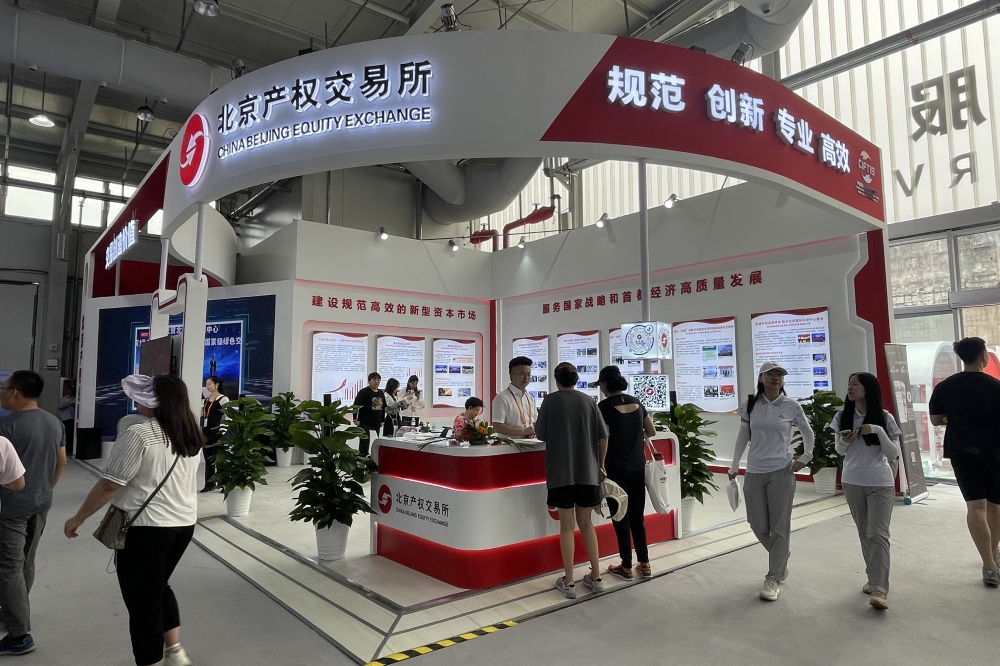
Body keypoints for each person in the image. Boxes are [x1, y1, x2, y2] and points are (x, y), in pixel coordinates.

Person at [64, 374, 203, 666]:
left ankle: (150, 661)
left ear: (154, 401)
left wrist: (79, 517)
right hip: (183, 524)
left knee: (142, 604)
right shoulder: (190, 433)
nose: (137, 402)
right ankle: (175, 652)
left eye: (142, 397)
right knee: (159, 587)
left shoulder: (139, 433)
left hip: (146, 529)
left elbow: (110, 484)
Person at [728, 361, 814, 602]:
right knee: (756, 523)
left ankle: (773, 577)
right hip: (755, 471)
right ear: (761, 378)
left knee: (779, 526)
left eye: (779, 375)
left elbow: (808, 432)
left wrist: (806, 457)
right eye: (771, 374)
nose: (776, 378)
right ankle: (781, 555)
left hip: (781, 471)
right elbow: (743, 435)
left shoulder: (791, 406)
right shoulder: (751, 405)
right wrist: (734, 464)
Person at [0, 370, 68, 656]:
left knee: (8, 567)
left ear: (15, 392)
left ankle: (19, 635)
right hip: (41, 503)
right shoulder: (54, 422)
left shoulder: (6, 428)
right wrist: (46, 487)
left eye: (3, 388)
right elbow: (62, 461)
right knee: (26, 560)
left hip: (10, 509)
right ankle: (15, 610)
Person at [928, 337, 1000, 587]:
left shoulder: (946, 386)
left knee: (975, 506)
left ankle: (989, 565)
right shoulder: (996, 386)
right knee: (994, 506)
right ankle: (993, 554)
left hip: (962, 451)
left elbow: (936, 420)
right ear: (983, 356)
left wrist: (955, 419)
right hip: (995, 451)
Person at [535, 362, 609, 599]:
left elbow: (540, 434)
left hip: (561, 473)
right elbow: (603, 436)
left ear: (556, 380)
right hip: (588, 473)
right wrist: (600, 464)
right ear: (576, 379)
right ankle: (596, 577)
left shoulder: (550, 401)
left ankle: (569, 582)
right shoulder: (589, 401)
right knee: (587, 524)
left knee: (567, 527)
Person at [833, 372, 901, 610]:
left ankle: (880, 589)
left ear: (868, 388)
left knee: (877, 533)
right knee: (865, 533)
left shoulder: (885, 417)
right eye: (849, 384)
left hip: (880, 483)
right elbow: (839, 451)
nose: (850, 388)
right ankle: (873, 578)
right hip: (852, 482)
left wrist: (878, 431)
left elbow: (893, 453)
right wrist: (846, 441)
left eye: (855, 384)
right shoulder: (842, 416)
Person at [593, 366, 657, 581]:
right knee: (637, 518)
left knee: (620, 516)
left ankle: (626, 566)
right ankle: (645, 563)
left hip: (615, 469)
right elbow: (651, 431)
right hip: (638, 466)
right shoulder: (637, 402)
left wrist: (601, 465)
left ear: (604, 384)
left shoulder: (603, 407)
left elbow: (602, 438)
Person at [491, 356, 536, 438]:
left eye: (528, 374)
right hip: (510, 444)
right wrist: (523, 431)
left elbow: (534, 422)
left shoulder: (530, 398)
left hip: (532, 443)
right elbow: (497, 426)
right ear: (511, 376)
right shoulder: (502, 398)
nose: (526, 378)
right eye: (522, 374)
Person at [199, 376, 229, 493]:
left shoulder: (223, 399)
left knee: (219, 460)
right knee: (208, 459)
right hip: (206, 433)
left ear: (216, 385)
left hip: (217, 433)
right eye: (206, 384)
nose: (207, 386)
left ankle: (224, 484)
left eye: (209, 384)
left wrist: (223, 430)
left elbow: (229, 416)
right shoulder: (206, 400)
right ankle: (209, 484)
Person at [352, 373, 386, 457]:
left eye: (378, 380)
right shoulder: (363, 392)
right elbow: (356, 405)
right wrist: (355, 419)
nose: (376, 381)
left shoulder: (381, 393)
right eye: (374, 379)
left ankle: (374, 458)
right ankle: (363, 457)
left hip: (376, 422)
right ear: (369, 381)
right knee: (364, 443)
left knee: (375, 442)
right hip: (364, 422)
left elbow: (383, 408)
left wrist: (382, 420)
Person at [58, 380, 76, 457]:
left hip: (73, 419)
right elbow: (60, 407)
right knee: (66, 434)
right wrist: (69, 404)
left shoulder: (76, 399)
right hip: (66, 418)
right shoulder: (64, 399)